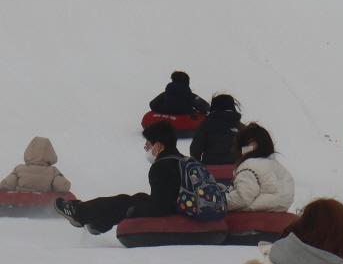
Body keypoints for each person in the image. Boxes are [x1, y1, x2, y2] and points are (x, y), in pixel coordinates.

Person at [53, 121, 187, 234]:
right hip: (183, 207)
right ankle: (99, 223)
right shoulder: (183, 161)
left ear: (158, 146)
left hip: (173, 212)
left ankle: (79, 212)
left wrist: (134, 210)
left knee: (124, 203)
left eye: (148, 145)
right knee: (139, 197)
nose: (146, 148)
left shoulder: (161, 167)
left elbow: (161, 207)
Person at [224, 122, 294, 212]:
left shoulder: (249, 166)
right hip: (280, 215)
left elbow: (242, 198)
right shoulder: (279, 167)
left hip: (254, 219)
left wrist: (220, 202)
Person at [1, 137, 72, 193]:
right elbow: (62, 187)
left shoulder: (19, 169)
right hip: (42, 205)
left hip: (20, 204)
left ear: (29, 152)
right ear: (50, 154)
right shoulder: (53, 171)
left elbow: (6, 185)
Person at [189, 94, 242, 164]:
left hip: (210, 167)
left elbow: (195, 150)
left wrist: (198, 163)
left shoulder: (205, 125)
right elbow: (249, 148)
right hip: (235, 168)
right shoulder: (240, 126)